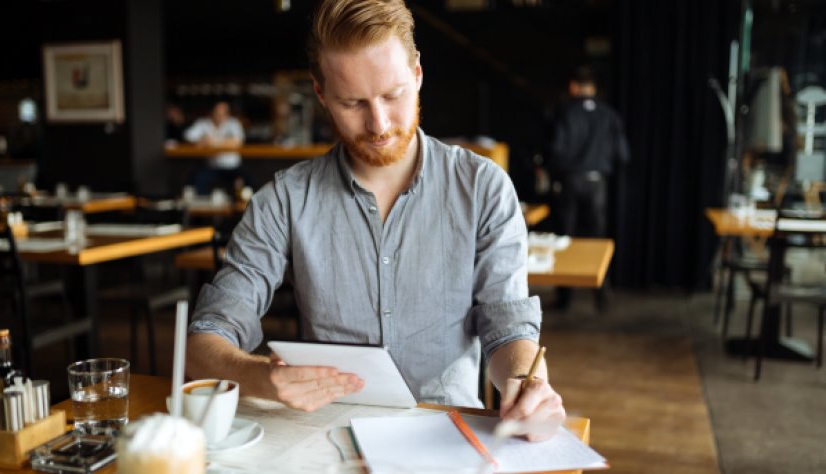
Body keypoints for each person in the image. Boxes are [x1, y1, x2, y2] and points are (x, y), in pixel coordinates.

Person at [186, 0, 565, 442]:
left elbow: (506, 329)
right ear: (321, 93)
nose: (379, 124)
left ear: (418, 74)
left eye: (393, 94)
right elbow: (203, 342)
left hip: (447, 438)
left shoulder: (483, 187)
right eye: (352, 102)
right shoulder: (284, 200)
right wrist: (258, 377)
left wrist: (525, 383)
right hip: (327, 438)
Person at [549, 66, 630, 310]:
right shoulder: (609, 115)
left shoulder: (564, 113)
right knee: (597, 240)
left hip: (570, 182)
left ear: (574, 86)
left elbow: (555, 150)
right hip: (598, 184)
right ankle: (601, 294)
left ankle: (565, 298)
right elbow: (623, 154)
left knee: (565, 238)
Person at [184, 101, 251, 194]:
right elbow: (188, 137)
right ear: (212, 112)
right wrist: (224, 141)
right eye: (217, 113)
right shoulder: (203, 123)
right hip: (211, 167)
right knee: (196, 179)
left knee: (249, 182)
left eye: (223, 113)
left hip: (233, 167)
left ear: (227, 114)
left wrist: (212, 141)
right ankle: (202, 207)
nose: (220, 116)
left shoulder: (233, 123)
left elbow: (238, 142)